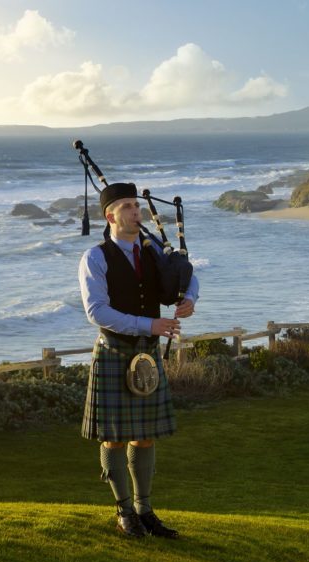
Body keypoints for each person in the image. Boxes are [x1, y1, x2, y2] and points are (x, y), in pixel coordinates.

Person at [78, 182, 199, 538]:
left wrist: (190, 299)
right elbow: (96, 311)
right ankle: (124, 511)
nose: (137, 212)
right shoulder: (95, 257)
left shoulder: (151, 251)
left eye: (137, 205)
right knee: (114, 438)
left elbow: (187, 272)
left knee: (145, 437)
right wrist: (151, 324)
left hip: (146, 351)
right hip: (116, 351)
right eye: (129, 206)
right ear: (110, 215)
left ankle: (145, 511)